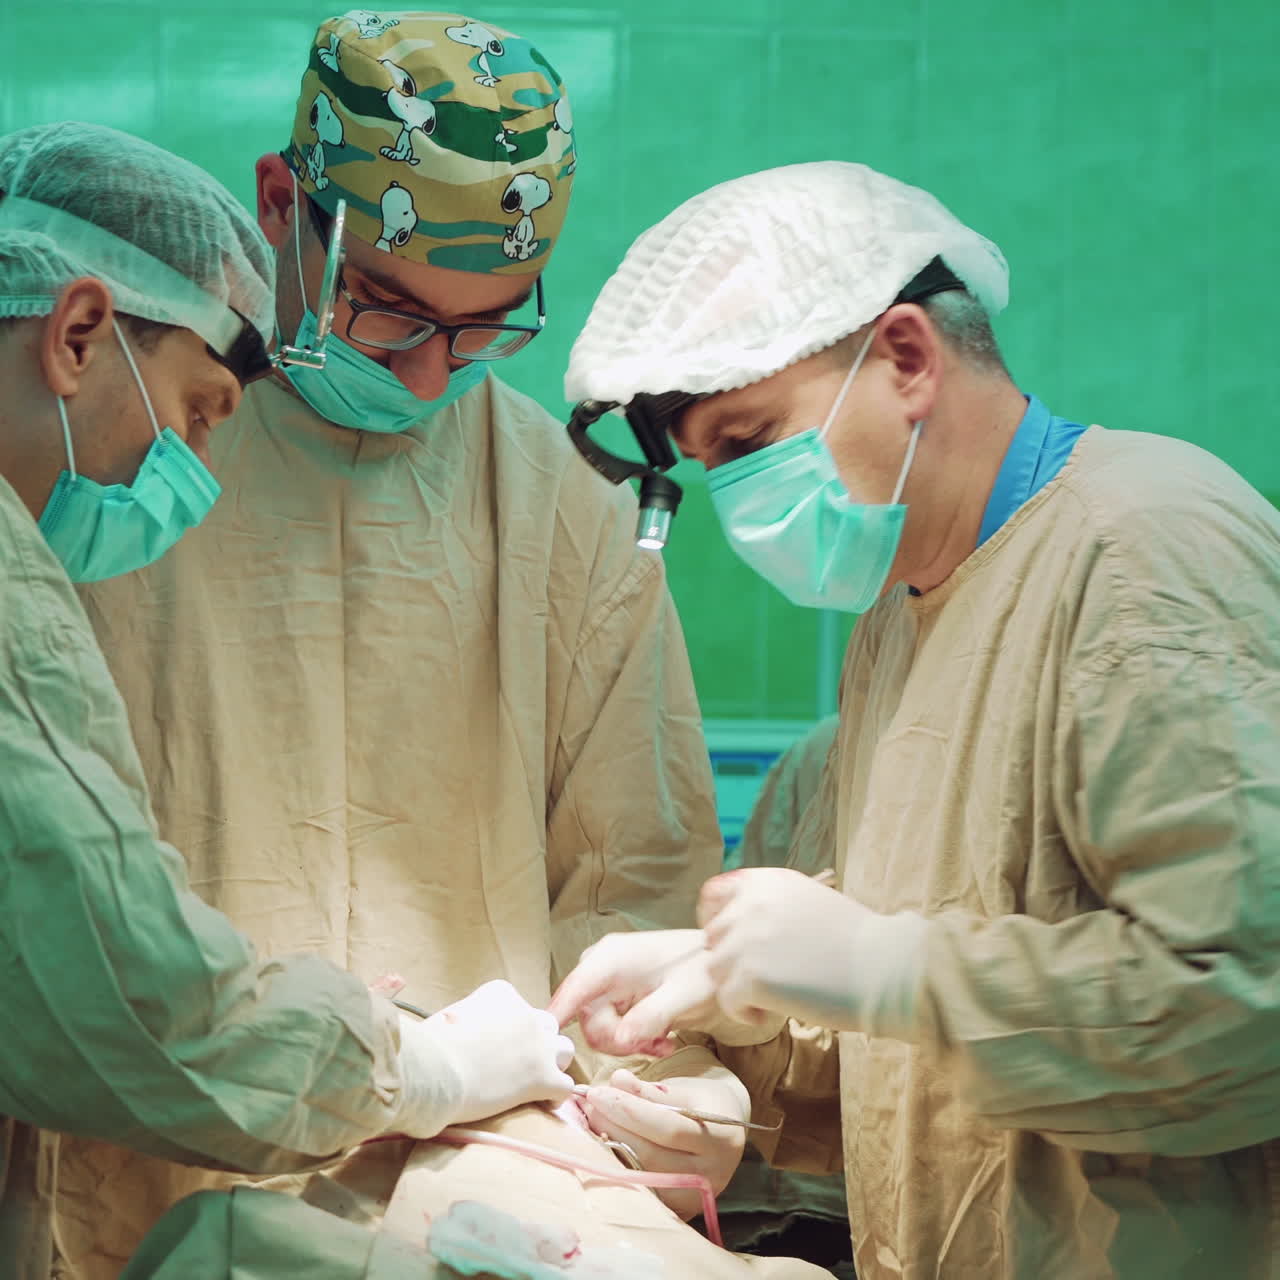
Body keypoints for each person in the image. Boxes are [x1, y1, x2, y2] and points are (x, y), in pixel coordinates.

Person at [62, 11, 740, 1275]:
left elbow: (631, 883)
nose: (430, 378)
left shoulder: (561, 512)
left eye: (483, 328)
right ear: (281, 206)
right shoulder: (118, 461)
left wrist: (650, 1081)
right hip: (154, 1166)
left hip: (474, 1193)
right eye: (386, 311)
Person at [550, 161, 1280, 1278]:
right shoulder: (900, 612)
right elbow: (952, 979)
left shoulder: (1144, 550)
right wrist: (750, 993)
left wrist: (875, 966)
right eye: (709, 468)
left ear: (905, 357)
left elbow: (1243, 1000)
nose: (739, 502)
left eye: (747, 442)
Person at [0, 121, 578, 1280]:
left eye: (473, 333)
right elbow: (141, 1003)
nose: (196, 463)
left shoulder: (552, 489)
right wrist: (420, 1064)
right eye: (200, 408)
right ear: (76, 335)